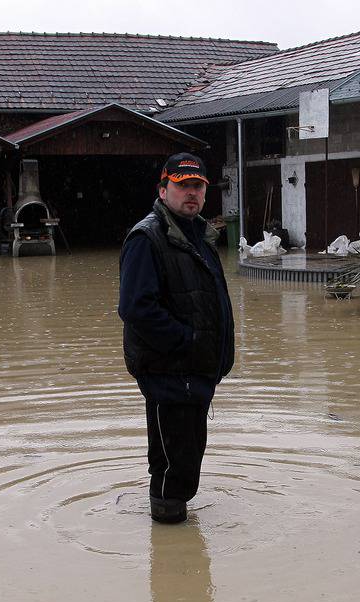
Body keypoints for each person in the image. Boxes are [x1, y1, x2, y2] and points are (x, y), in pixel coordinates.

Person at [118, 153, 235, 524]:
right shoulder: (147, 238)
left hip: (195, 369)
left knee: (187, 453)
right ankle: (170, 544)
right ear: (163, 189)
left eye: (198, 186)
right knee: (173, 461)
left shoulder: (199, 235)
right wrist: (188, 340)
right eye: (183, 185)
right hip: (171, 371)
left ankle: (175, 528)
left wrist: (214, 352)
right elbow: (137, 309)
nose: (191, 193)